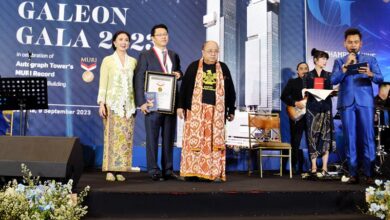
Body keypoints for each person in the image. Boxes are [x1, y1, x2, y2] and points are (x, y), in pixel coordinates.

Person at [177, 41, 236, 182]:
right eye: (210, 51)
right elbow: (184, 88)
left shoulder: (223, 68)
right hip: (195, 112)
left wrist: (231, 109)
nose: (213, 53)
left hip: (216, 112)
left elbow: (230, 90)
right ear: (202, 51)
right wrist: (180, 106)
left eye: (215, 51)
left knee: (213, 144)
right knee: (195, 142)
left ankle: (213, 173)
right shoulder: (193, 67)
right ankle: (191, 172)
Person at [331, 28, 383, 184]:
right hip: (347, 103)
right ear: (344, 43)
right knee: (350, 138)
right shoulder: (339, 62)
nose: (353, 45)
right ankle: (353, 173)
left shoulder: (370, 60)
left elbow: (380, 78)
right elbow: (333, 80)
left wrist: (370, 74)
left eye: (355, 42)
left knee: (368, 137)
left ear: (361, 43)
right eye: (349, 42)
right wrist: (346, 67)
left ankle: (369, 174)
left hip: (365, 103)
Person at [134, 24, 182, 181]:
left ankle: (168, 170)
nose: (164, 37)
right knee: (152, 138)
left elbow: (179, 72)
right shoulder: (145, 55)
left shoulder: (173, 55)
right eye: (160, 34)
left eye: (165, 34)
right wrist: (141, 102)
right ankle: (154, 170)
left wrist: (178, 74)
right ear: (152, 38)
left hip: (170, 103)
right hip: (152, 102)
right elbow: (139, 79)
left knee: (169, 138)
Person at [97, 30, 138, 182]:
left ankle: (121, 169)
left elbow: (136, 83)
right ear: (114, 42)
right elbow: (103, 82)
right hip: (112, 103)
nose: (124, 42)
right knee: (111, 137)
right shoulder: (108, 60)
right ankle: (110, 170)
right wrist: (102, 103)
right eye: (120, 39)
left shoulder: (133, 61)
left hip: (128, 105)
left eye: (126, 39)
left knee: (125, 139)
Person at [304, 48, 336, 178]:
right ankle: (313, 167)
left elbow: (331, 90)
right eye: (322, 58)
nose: (325, 61)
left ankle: (324, 167)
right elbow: (304, 91)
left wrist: (333, 92)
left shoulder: (329, 75)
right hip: (312, 109)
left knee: (326, 137)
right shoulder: (308, 75)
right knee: (312, 137)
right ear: (315, 60)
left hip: (326, 108)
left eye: (326, 59)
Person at [280, 62, 309, 174]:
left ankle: (313, 167)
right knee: (295, 141)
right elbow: (283, 96)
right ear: (297, 71)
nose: (304, 70)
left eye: (306, 68)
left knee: (311, 141)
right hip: (297, 115)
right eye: (301, 68)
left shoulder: (312, 83)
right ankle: (294, 166)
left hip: (310, 115)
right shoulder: (293, 82)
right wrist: (295, 103)